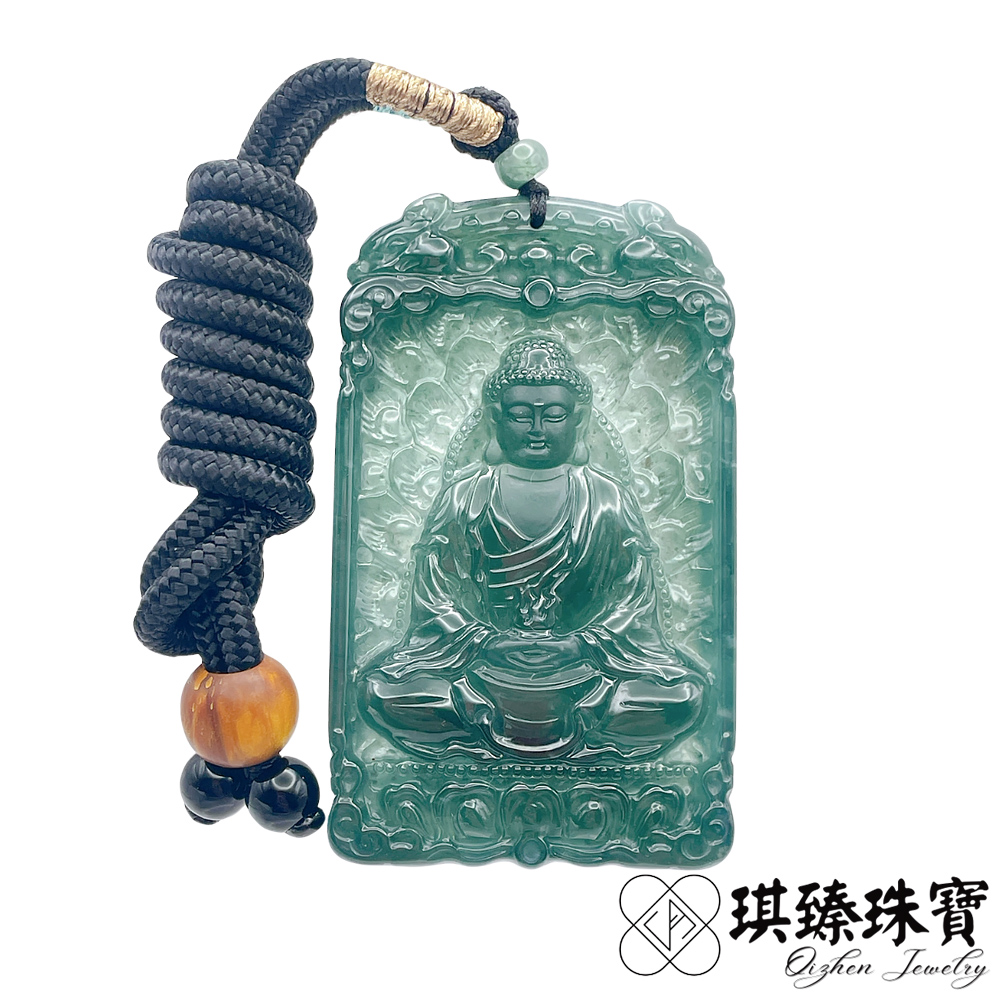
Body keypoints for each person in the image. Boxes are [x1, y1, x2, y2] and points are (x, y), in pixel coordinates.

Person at [361, 337, 705, 759]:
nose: (537, 429)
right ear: (496, 418)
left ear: (578, 419)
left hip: (586, 675)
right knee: (381, 691)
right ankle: (545, 736)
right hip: (482, 672)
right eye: (521, 415)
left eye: (554, 415)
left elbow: (635, 603)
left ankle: (526, 735)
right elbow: (434, 598)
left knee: (682, 696)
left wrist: (583, 645)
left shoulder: (607, 499)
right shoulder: (466, 497)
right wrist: (484, 642)